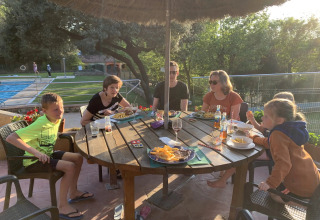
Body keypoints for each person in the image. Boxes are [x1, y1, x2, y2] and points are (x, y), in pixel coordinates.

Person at [6, 93, 92, 220]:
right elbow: (11, 138)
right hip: (33, 161)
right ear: (44, 111)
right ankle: (62, 206)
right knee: (70, 167)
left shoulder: (55, 119)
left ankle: (73, 193)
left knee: (78, 158)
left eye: (61, 108)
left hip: (47, 154)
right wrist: (36, 152)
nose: (60, 112)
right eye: (56, 109)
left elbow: (51, 133)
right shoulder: (40, 123)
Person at [257, 99, 319, 205]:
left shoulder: (277, 134)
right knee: (278, 184)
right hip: (313, 183)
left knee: (271, 194)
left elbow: (284, 164)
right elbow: (269, 142)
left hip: (303, 190)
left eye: (266, 116)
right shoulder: (290, 130)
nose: (262, 118)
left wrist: (269, 183)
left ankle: (304, 206)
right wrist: (254, 138)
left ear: (280, 120)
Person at [205, 70, 243, 188]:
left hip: (231, 130)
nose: (211, 84)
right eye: (210, 81)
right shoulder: (209, 96)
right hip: (211, 129)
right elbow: (202, 114)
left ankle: (223, 179)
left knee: (238, 155)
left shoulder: (234, 97)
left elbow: (234, 118)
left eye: (214, 82)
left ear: (223, 83)